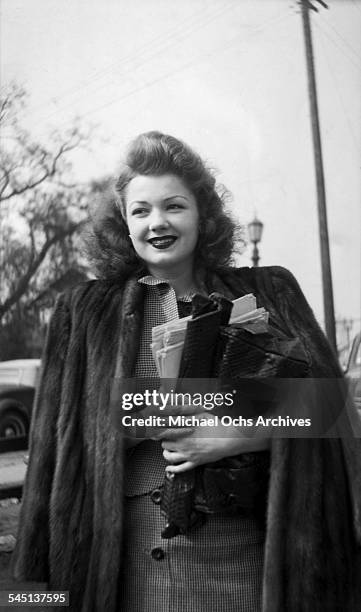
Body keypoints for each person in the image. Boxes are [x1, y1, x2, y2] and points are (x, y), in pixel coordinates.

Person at [12, 131, 361, 611]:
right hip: (124, 562)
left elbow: (333, 413)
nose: (158, 222)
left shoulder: (270, 290)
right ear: (123, 222)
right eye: (141, 210)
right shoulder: (82, 311)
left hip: (241, 557)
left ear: (203, 215)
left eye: (174, 206)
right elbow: (60, 441)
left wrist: (239, 434)